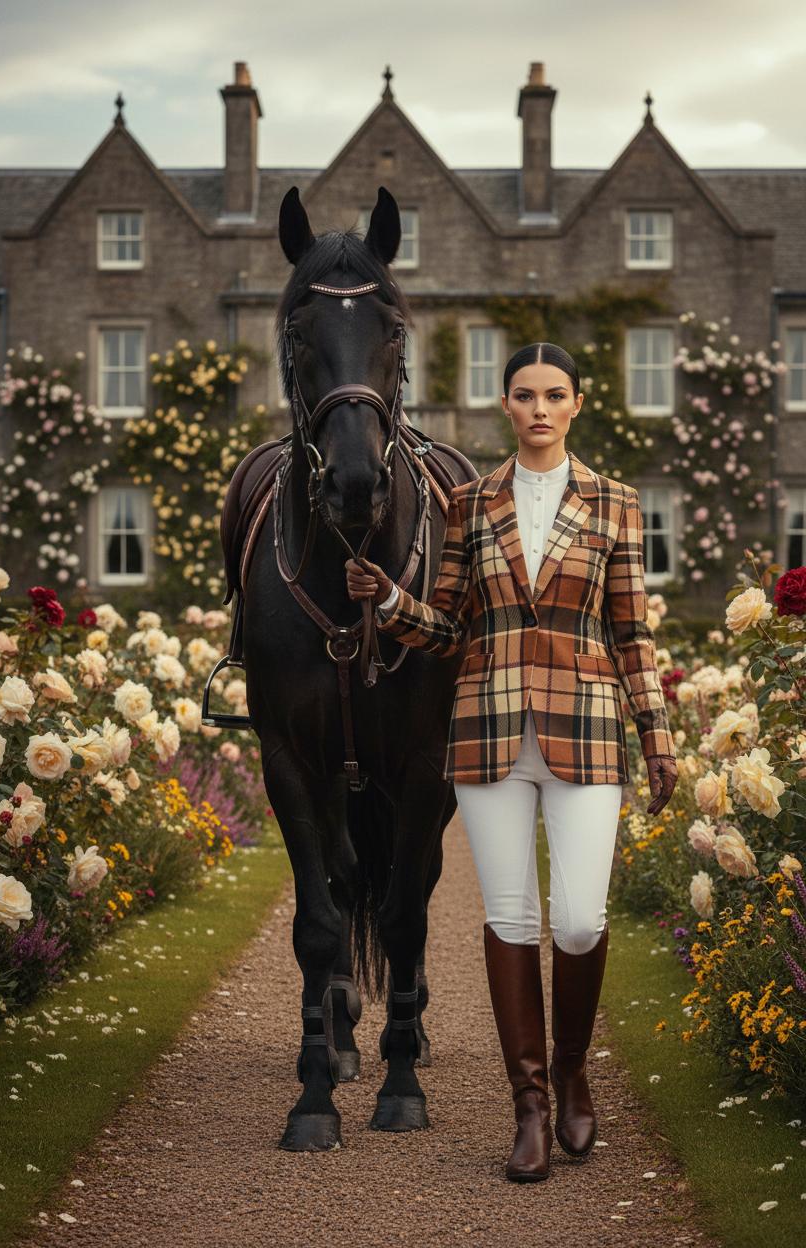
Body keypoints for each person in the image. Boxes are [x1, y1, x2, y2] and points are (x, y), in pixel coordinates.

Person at [345, 341, 678, 1183]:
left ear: (576, 404)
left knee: (577, 920)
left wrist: (657, 734)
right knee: (511, 918)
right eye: (524, 393)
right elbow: (451, 627)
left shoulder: (615, 504)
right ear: (506, 404)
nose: (538, 407)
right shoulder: (468, 501)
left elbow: (632, 633)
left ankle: (571, 1072)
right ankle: (527, 1105)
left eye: (553, 394)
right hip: (488, 731)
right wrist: (389, 601)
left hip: (589, 726)